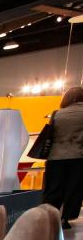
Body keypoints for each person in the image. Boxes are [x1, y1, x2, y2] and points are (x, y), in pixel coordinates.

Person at [41, 85, 83, 230]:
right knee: (73, 189)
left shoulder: (57, 114)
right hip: (78, 156)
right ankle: (65, 218)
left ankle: (48, 216)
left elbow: (51, 134)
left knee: (53, 188)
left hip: (55, 157)